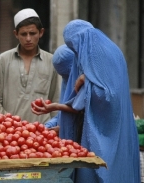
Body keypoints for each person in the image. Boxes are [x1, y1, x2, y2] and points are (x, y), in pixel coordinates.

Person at [32, 19, 141, 182]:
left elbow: (106, 97)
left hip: (106, 134)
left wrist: (86, 81)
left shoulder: (100, 57)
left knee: (105, 172)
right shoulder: (95, 56)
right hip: (101, 134)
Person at [0, 8, 61, 123]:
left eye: (32, 33)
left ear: (41, 32)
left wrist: (52, 127)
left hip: (42, 132)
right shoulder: (3, 60)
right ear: (16, 34)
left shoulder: (51, 61)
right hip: (9, 133)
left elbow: (55, 100)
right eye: (24, 34)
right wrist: (8, 122)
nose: (28, 39)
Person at [44, 44, 76, 139]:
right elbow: (63, 115)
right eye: (63, 76)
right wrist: (48, 126)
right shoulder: (66, 82)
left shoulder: (88, 85)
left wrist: (64, 129)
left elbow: (84, 115)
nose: (66, 80)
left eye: (68, 75)